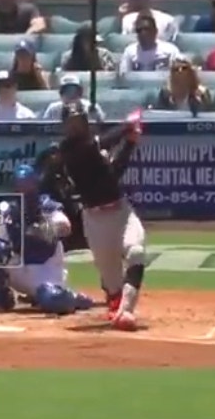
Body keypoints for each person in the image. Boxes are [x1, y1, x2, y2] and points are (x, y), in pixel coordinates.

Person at [49, 105, 146, 329]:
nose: (76, 125)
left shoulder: (95, 146)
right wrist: (127, 126)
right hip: (95, 221)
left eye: (79, 120)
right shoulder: (68, 151)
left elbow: (114, 173)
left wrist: (130, 143)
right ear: (64, 127)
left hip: (122, 212)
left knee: (136, 252)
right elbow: (97, 145)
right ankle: (116, 302)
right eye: (71, 122)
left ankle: (127, 310)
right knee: (112, 284)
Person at [0, 162, 94, 315]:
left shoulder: (46, 206)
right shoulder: (9, 211)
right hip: (18, 268)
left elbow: (65, 226)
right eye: (21, 186)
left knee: (53, 300)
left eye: (28, 185)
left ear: (35, 185)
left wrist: (43, 230)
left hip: (45, 271)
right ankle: (1, 299)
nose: (25, 190)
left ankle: (73, 298)